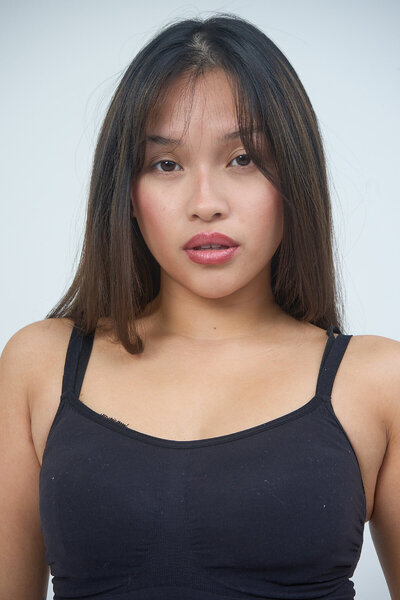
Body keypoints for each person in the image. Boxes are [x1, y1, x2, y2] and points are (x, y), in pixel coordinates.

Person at [0, 12, 399, 600]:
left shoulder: (379, 382)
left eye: (243, 159)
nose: (206, 203)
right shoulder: (39, 366)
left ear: (294, 176)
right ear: (126, 193)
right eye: (166, 164)